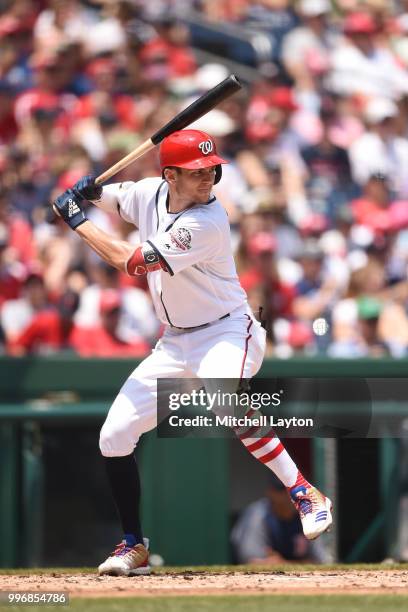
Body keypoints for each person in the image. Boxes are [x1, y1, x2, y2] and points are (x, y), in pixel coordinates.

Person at [52, 128, 332, 577]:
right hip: (175, 338)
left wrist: (77, 219)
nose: (208, 179)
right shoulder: (147, 192)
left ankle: (303, 491)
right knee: (114, 435)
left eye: (211, 171)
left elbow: (128, 261)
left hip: (226, 330)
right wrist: (89, 191)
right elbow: (114, 196)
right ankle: (133, 544)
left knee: (224, 395)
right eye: (197, 172)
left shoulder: (207, 222)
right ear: (170, 176)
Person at [231, 473, 328, 564]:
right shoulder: (259, 515)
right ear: (270, 492)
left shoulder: (309, 514)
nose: (289, 495)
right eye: (283, 490)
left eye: (294, 490)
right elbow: (251, 561)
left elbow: (321, 561)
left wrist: (284, 564)